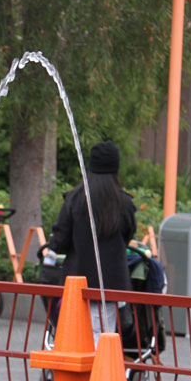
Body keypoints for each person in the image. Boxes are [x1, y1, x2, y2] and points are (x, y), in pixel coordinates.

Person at [48, 141, 136, 345]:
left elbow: (59, 242)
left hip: (76, 283)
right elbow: (128, 234)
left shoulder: (74, 199)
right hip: (111, 285)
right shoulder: (124, 203)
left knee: (74, 339)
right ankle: (99, 375)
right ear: (116, 168)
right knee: (104, 337)